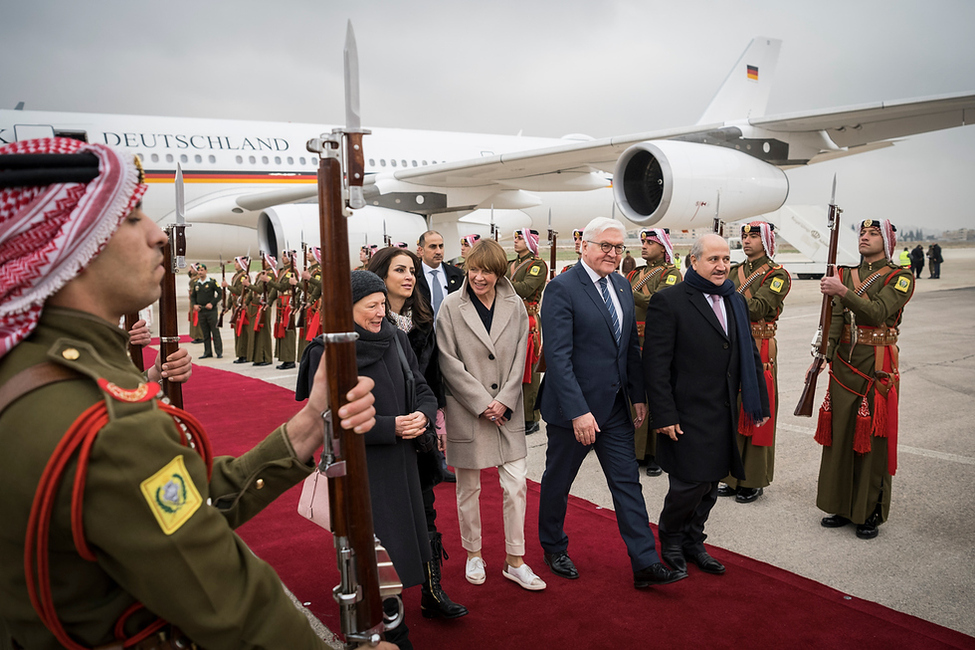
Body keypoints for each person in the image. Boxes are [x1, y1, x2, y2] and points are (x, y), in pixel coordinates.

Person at [0, 138, 377, 649]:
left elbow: (184, 497)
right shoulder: (106, 424)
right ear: (73, 245)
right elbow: (232, 608)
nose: (159, 235)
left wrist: (309, 424)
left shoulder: (28, 370)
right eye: (132, 218)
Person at [536, 217, 684, 589]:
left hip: (616, 409)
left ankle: (645, 562)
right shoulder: (561, 288)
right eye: (605, 246)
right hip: (574, 412)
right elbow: (558, 357)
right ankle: (553, 546)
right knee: (558, 481)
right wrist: (578, 412)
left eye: (619, 248)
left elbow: (629, 348)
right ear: (584, 246)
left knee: (627, 483)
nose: (613, 254)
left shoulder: (621, 285)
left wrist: (637, 396)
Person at [298, 271, 436, 650]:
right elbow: (328, 421)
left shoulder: (395, 339)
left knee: (399, 552)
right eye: (371, 306)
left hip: (403, 465)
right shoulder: (327, 353)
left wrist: (423, 415)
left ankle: (393, 620)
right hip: (362, 473)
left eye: (382, 304)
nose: (380, 312)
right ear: (348, 309)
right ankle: (382, 631)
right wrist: (390, 427)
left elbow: (422, 387)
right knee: (371, 554)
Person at [643, 233, 770, 578]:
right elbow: (655, 365)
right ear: (694, 261)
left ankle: (694, 541)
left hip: (723, 409)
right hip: (687, 412)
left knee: (712, 483)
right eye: (713, 259)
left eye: (726, 259)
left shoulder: (734, 299)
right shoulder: (670, 301)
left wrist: (759, 401)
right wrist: (664, 414)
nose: (721, 266)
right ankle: (670, 540)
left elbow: (748, 354)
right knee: (688, 485)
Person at [436, 240, 546, 592]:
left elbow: (520, 356)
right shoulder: (451, 306)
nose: (479, 277)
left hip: (507, 412)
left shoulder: (514, 305)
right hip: (469, 411)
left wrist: (506, 399)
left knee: (516, 487)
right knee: (468, 489)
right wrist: (483, 401)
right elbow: (447, 361)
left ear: (499, 272)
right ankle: (474, 553)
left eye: (487, 270)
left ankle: (516, 560)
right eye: (474, 269)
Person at [367, 246, 469, 619]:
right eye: (400, 270)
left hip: (419, 428)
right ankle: (381, 600)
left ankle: (432, 591)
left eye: (412, 270)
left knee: (426, 511)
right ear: (381, 276)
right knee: (383, 519)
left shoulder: (422, 319)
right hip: (381, 434)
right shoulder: (371, 324)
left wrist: (434, 418)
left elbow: (430, 375)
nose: (410, 277)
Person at [811, 219, 914, 540]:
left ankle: (869, 511)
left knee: (872, 440)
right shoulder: (845, 273)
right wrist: (823, 357)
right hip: (843, 363)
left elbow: (877, 313)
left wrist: (843, 291)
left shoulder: (900, 277)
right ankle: (840, 505)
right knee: (840, 435)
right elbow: (837, 318)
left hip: (876, 365)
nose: (865, 238)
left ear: (886, 241)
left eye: (872, 234)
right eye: (862, 233)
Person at [717, 222, 790, 504]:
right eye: (744, 236)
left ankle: (753, 479)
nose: (746, 241)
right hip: (733, 342)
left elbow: (759, 307)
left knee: (756, 409)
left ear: (767, 240)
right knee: (732, 410)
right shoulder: (734, 271)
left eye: (754, 236)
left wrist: (721, 294)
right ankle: (732, 476)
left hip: (760, 345)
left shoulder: (777, 275)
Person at [626, 228, 682, 477]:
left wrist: (627, 291)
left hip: (655, 341)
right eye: (643, 242)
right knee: (635, 392)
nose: (644, 246)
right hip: (632, 340)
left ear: (663, 247)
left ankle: (656, 453)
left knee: (655, 392)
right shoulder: (635, 273)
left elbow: (657, 300)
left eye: (650, 242)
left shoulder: (671, 274)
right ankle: (636, 450)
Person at [507, 228, 547, 435]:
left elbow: (525, 288)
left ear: (530, 241)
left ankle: (532, 417)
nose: (516, 241)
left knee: (529, 371)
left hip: (528, 321)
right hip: (509, 319)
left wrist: (502, 282)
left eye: (520, 238)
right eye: (515, 238)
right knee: (512, 368)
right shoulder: (509, 264)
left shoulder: (537, 265)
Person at [415, 231, 463, 321]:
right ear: (421, 250)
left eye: (441, 246)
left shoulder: (457, 275)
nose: (438, 251)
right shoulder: (413, 276)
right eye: (433, 247)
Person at [270, 249, 299, 370]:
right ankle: (283, 357)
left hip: (287, 303)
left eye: (285, 257)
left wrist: (269, 282)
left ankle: (289, 359)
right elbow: (276, 290)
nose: (283, 258)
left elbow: (283, 286)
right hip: (281, 302)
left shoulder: (291, 272)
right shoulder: (282, 271)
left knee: (288, 330)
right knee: (281, 329)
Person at [190, 262, 223, 359]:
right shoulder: (197, 284)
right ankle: (207, 352)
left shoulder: (212, 282)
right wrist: (194, 305)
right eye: (199, 270)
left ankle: (219, 351)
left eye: (202, 270)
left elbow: (220, 294)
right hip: (201, 311)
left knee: (215, 331)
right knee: (205, 333)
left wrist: (212, 303)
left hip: (211, 311)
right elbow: (193, 297)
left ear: (206, 271)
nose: (200, 272)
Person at [224, 255, 252, 363]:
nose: (234, 264)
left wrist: (228, 286)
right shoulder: (236, 276)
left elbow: (239, 290)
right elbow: (232, 294)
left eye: (236, 262)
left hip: (242, 307)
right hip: (236, 306)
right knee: (237, 331)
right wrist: (228, 306)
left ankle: (244, 354)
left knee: (243, 331)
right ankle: (240, 353)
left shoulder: (243, 276)